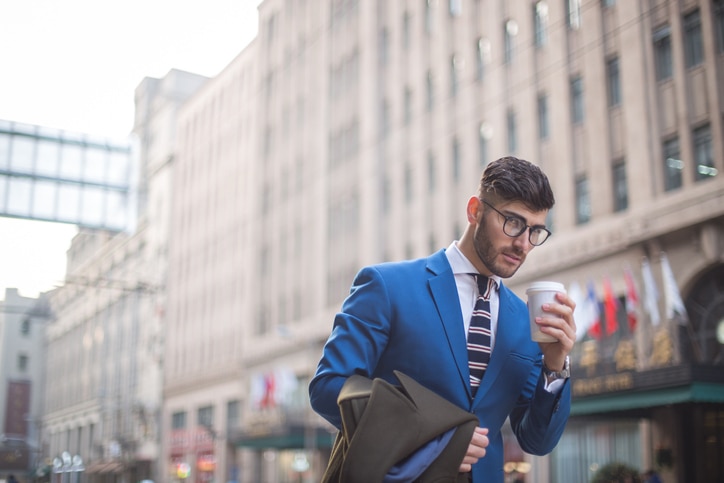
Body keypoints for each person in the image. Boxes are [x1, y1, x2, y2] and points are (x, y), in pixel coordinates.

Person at [309, 156, 577, 482]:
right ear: (475, 211)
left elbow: (537, 441)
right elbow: (328, 389)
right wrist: (432, 442)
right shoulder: (387, 286)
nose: (523, 243)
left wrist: (555, 366)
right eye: (513, 222)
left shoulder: (525, 322)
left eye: (535, 231)